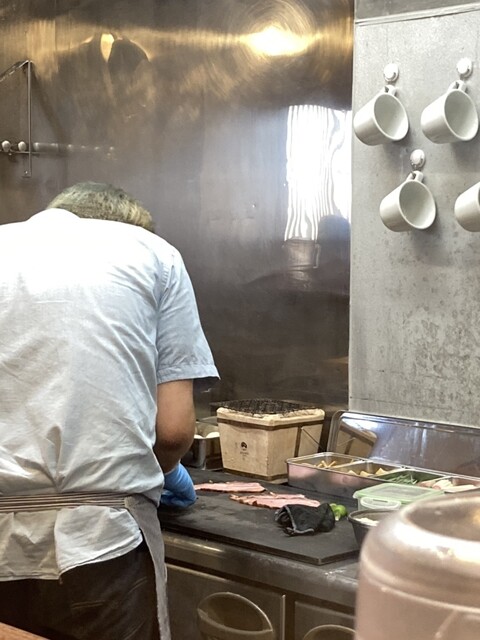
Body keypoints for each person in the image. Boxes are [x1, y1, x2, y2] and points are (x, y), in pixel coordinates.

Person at [0, 182, 219, 640]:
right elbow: (173, 430)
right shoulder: (155, 255)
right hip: (101, 540)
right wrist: (161, 471)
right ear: (130, 227)